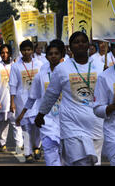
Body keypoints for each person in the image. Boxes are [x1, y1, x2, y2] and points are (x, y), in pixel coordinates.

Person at [35, 31, 104, 166]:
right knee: (78, 161)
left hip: (95, 123)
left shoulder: (100, 67)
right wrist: (41, 114)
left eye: (83, 41)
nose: (80, 44)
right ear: (70, 47)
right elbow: (51, 94)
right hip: (71, 123)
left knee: (94, 162)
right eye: (76, 42)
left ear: (89, 45)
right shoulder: (62, 68)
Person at [22, 40, 65, 166]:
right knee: (50, 154)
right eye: (50, 54)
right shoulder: (40, 76)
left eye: (56, 53)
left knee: (65, 157)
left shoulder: (67, 74)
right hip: (47, 121)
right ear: (47, 56)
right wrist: (22, 113)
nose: (53, 56)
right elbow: (32, 97)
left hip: (65, 120)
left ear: (61, 55)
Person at [10, 39, 43, 163]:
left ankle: (37, 147)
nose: (26, 52)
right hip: (22, 101)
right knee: (25, 127)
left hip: (38, 100)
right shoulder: (15, 66)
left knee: (38, 126)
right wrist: (12, 102)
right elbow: (12, 85)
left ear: (32, 50)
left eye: (29, 49)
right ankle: (28, 153)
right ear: (21, 51)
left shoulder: (39, 64)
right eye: (24, 50)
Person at [0, 44, 24, 153]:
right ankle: (2, 143)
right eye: (2, 53)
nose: (5, 55)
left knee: (16, 123)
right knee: (2, 124)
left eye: (7, 52)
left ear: (10, 53)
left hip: (15, 100)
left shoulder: (15, 66)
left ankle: (19, 146)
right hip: (2, 100)